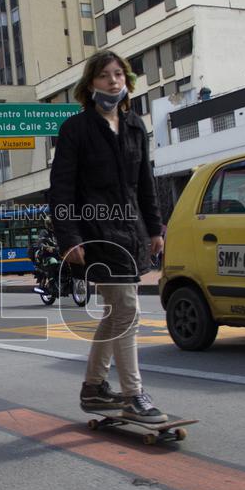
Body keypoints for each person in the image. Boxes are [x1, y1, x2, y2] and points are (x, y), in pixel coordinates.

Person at [49, 50, 167, 423]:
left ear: (127, 82)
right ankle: (133, 394)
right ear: (90, 84)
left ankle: (94, 387)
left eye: (118, 75)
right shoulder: (76, 129)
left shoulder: (135, 127)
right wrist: (68, 238)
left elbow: (144, 184)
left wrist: (154, 227)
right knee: (128, 309)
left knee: (118, 312)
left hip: (131, 232)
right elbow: (61, 189)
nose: (113, 81)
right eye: (104, 75)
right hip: (96, 231)